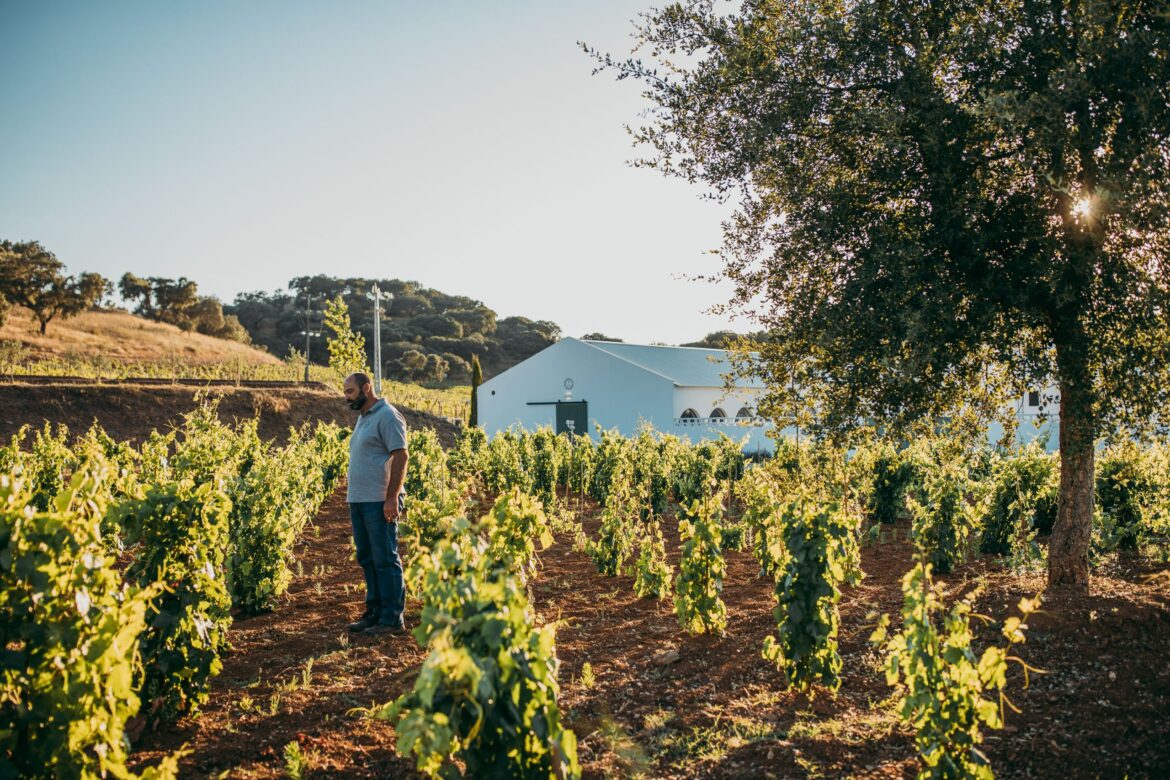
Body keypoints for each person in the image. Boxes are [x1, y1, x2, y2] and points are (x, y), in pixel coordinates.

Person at [343, 372, 409, 636]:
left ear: (366, 388)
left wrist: (392, 497)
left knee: (385, 558)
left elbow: (401, 455)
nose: (346, 396)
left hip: (379, 500)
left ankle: (392, 618)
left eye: (350, 391)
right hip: (359, 500)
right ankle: (375, 612)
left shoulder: (388, 415)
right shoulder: (363, 418)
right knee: (367, 558)